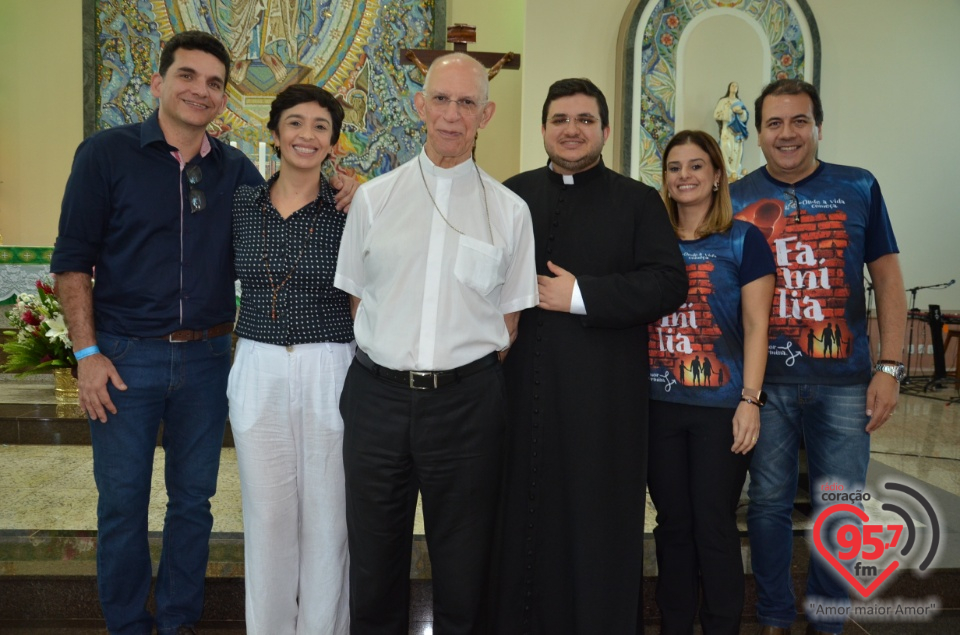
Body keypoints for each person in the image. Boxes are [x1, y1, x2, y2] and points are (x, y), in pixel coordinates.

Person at [50, 31, 356, 634]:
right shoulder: (104, 156)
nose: (201, 90)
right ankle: (128, 625)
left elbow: (297, 195)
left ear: (223, 99)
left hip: (210, 359)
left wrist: (348, 184)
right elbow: (71, 261)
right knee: (121, 506)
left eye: (214, 83)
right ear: (159, 83)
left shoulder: (237, 172)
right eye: (188, 76)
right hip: (124, 357)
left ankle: (180, 622)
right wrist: (87, 353)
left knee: (194, 505)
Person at [334, 52, 538, 634]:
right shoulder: (375, 199)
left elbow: (510, 323)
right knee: (373, 559)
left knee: (465, 561)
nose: (452, 115)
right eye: (441, 100)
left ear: (487, 114)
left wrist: (449, 372)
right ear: (420, 106)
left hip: (467, 406)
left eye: (467, 103)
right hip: (377, 400)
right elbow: (357, 299)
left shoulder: (510, 211)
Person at [492, 78, 688, 635]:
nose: (571, 130)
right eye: (559, 119)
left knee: (593, 521)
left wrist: (581, 296)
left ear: (604, 130)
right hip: (518, 389)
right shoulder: (512, 194)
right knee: (519, 517)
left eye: (583, 119)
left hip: (602, 400)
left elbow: (669, 283)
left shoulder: (638, 201)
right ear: (543, 129)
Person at [730, 79, 906, 635]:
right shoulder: (733, 198)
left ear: (818, 126)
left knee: (842, 504)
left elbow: (888, 280)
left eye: (799, 121)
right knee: (766, 505)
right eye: (775, 123)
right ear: (757, 133)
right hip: (765, 384)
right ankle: (777, 616)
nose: (787, 134)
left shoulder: (859, 186)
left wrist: (891, 367)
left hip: (845, 381)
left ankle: (830, 618)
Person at [228, 84, 352, 634]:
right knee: (268, 515)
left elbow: (365, 294)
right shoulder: (240, 206)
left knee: (329, 517)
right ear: (274, 134)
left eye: (320, 126)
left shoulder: (351, 208)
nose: (307, 135)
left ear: (333, 143)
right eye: (296, 123)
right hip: (257, 364)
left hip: (331, 362)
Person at [647, 130, 775, 635]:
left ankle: (722, 625)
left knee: (715, 525)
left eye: (696, 166)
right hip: (658, 404)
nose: (685, 176)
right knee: (673, 525)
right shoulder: (649, 239)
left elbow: (756, 326)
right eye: (675, 167)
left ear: (718, 174)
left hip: (722, 407)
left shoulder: (744, 239)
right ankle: (675, 625)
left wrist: (751, 401)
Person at [713, 82, 750, 181]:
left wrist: (741, 112)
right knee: (725, 147)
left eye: (736, 86)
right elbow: (716, 114)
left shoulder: (739, 102)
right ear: (729, 87)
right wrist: (729, 111)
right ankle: (726, 171)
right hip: (726, 130)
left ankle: (734, 171)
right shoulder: (723, 101)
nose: (734, 87)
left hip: (736, 132)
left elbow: (744, 117)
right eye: (732, 85)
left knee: (737, 150)